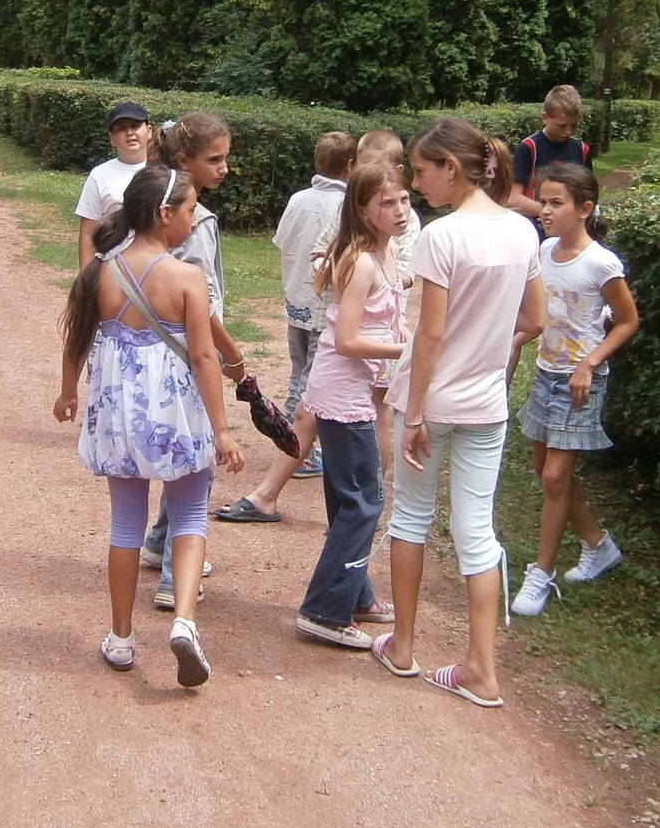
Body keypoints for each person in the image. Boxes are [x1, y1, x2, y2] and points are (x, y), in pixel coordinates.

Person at [374, 118, 544, 709]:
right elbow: (535, 319)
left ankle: (403, 647)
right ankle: (482, 669)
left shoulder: (442, 236)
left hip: (433, 401)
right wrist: (492, 347)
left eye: (421, 171)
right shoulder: (522, 230)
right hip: (487, 404)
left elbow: (430, 334)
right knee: (477, 530)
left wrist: (414, 414)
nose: (416, 183)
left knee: (411, 517)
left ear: (451, 168)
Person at [55, 165, 245, 687]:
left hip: (119, 415)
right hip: (177, 414)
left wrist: (68, 391)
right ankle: (184, 622)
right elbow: (203, 358)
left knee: (125, 525)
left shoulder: (99, 272)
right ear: (164, 213)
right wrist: (222, 430)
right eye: (189, 211)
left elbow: (76, 338)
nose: (193, 221)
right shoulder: (186, 277)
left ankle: (120, 637)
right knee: (190, 517)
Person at [216, 129, 414, 524]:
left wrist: (357, 275)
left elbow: (404, 274)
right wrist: (337, 264)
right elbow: (325, 254)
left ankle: (364, 507)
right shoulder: (350, 215)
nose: (368, 179)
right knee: (310, 415)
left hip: (376, 340)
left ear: (397, 171)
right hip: (342, 333)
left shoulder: (403, 225)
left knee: (375, 418)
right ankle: (278, 498)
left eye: (398, 195)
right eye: (363, 168)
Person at [510, 162, 641, 616]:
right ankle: (598, 544)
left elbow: (628, 321)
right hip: (546, 375)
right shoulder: (546, 250)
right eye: (542, 201)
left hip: (579, 383)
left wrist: (589, 363)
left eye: (556, 203)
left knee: (554, 478)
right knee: (546, 471)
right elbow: (540, 315)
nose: (544, 211)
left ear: (584, 209)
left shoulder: (601, 263)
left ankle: (541, 574)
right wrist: (516, 341)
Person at [293, 160, 410, 649]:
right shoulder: (361, 262)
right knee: (365, 500)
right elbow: (346, 340)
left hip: (352, 391)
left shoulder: (386, 252)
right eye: (387, 203)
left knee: (349, 498)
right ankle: (324, 609)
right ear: (362, 210)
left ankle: (356, 595)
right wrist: (408, 349)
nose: (400, 210)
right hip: (343, 395)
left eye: (404, 199)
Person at [139, 112, 250, 610]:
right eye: (215, 159)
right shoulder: (194, 220)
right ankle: (174, 575)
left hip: (168, 349)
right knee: (196, 456)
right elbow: (200, 304)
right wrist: (231, 354)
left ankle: (159, 540)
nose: (224, 168)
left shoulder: (164, 208)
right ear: (184, 161)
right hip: (190, 351)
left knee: (184, 451)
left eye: (226, 158)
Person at [273, 131, 357, 466]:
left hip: (295, 299)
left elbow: (282, 241)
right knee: (312, 379)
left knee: (299, 372)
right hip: (324, 306)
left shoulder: (298, 199)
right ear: (351, 165)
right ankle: (297, 452)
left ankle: (293, 443)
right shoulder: (346, 205)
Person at [506, 86, 595, 236]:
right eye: (562, 125)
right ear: (545, 117)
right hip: (536, 230)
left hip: (572, 232)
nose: (568, 132)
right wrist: (554, 212)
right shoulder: (529, 148)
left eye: (573, 125)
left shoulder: (582, 149)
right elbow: (512, 199)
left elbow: (589, 195)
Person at [76, 100, 153, 267]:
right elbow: (88, 233)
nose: (130, 133)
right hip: (111, 267)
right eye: (121, 128)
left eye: (135, 126)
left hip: (157, 268)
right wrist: (86, 276)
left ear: (149, 131)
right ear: (112, 139)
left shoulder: (165, 171)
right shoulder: (99, 175)